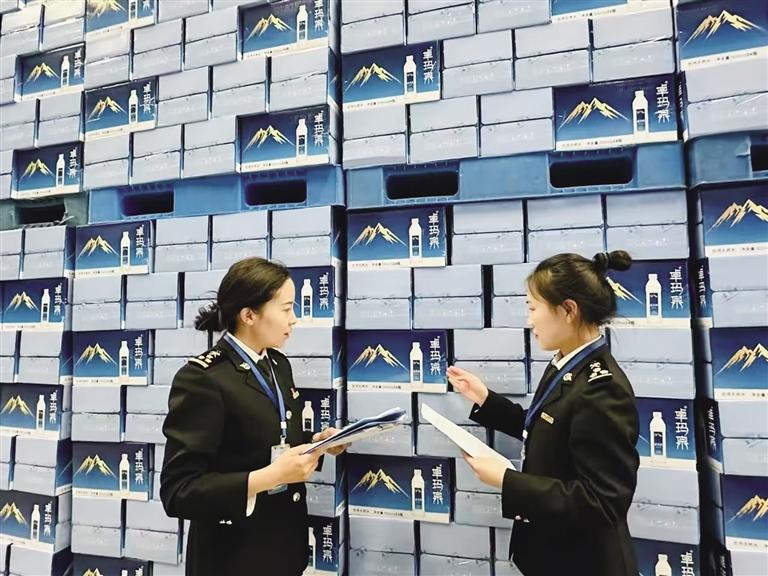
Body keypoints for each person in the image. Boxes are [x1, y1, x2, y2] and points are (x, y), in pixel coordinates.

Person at [448, 251, 640, 576]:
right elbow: (547, 427)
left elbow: (602, 502)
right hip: (554, 552)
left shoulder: (603, 389)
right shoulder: (567, 362)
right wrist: (486, 400)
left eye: (533, 308)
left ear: (568, 310)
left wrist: (508, 481)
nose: (529, 321)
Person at [160, 257, 346, 576]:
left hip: (284, 549)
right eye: (286, 309)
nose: (294, 319)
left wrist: (319, 443)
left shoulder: (278, 365)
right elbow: (178, 491)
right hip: (232, 558)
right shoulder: (203, 378)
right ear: (249, 315)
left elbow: (273, 438)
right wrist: (268, 477)